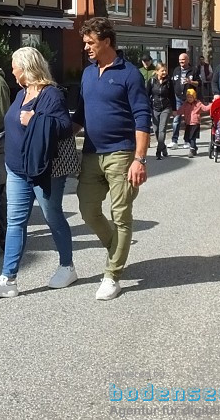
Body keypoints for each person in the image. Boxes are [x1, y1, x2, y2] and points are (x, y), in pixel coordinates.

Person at [0, 47, 74, 298]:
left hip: (44, 170)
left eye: (14, 66)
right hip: (17, 169)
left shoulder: (51, 94)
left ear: (27, 68)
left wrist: (34, 119)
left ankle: (67, 266)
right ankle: (8, 279)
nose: (12, 71)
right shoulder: (21, 93)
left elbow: (65, 126)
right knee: (15, 223)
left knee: (53, 217)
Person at [73, 17, 150, 301]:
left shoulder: (130, 74)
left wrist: (139, 159)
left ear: (106, 41)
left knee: (121, 215)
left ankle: (112, 275)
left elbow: (143, 117)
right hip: (91, 153)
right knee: (88, 210)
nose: (86, 47)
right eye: (85, 42)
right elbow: (79, 116)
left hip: (121, 154)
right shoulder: (88, 73)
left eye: (90, 42)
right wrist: (55, 136)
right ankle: (116, 249)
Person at [169, 53, 200, 149]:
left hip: (189, 100)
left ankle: (187, 140)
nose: (181, 61)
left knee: (188, 121)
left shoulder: (194, 70)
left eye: (183, 60)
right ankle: (174, 140)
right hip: (178, 97)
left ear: (187, 60)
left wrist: (191, 82)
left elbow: (199, 83)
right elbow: (173, 83)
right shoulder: (176, 70)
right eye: (180, 60)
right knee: (176, 119)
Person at [146, 62, 176, 159]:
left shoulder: (169, 81)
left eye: (165, 70)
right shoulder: (151, 81)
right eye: (162, 70)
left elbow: (172, 96)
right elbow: (146, 95)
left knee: (162, 129)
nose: (164, 72)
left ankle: (158, 151)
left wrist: (174, 109)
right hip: (154, 108)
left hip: (166, 108)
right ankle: (163, 147)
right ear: (156, 71)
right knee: (156, 130)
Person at [173, 88, 205, 156]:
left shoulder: (198, 104)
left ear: (194, 97)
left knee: (192, 137)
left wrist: (212, 104)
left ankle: (192, 150)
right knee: (187, 138)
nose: (189, 99)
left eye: (191, 97)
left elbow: (205, 108)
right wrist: (176, 113)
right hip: (188, 123)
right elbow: (181, 110)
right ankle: (194, 147)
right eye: (188, 97)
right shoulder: (185, 104)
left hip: (195, 123)